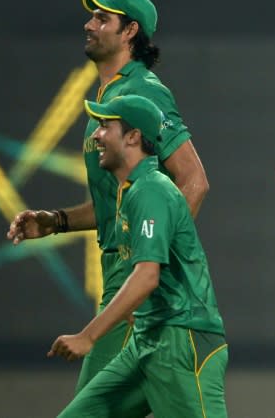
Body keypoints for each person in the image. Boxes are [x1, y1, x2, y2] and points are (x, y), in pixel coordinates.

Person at [6, 0, 209, 406]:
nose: (88, 25)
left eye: (102, 19)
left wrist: (153, 268)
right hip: (126, 272)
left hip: (136, 276)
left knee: (93, 407)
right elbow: (122, 206)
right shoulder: (108, 98)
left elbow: (193, 182)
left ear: (130, 31)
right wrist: (57, 221)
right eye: (92, 17)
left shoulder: (143, 93)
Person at [49, 94, 227, 418]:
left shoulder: (151, 190)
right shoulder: (132, 191)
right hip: (148, 339)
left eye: (105, 126)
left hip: (182, 340)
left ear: (133, 136)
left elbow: (147, 275)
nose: (96, 135)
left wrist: (89, 337)